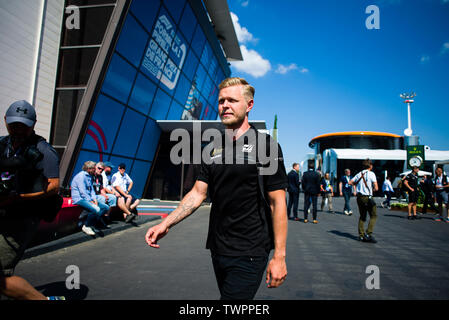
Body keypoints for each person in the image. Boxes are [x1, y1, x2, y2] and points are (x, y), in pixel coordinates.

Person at [145, 77, 288, 300]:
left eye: (232, 100)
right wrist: (166, 223)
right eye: (221, 101)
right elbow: (197, 194)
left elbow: (277, 202)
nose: (225, 106)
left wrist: (279, 256)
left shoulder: (266, 146)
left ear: (249, 105)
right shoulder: (212, 147)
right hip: (218, 248)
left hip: (250, 250)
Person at [0, 100, 63, 300]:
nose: (18, 129)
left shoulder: (44, 151)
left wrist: (18, 198)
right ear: (5, 121)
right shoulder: (2, 144)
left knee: (2, 277)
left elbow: (53, 186)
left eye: (23, 125)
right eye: (13, 124)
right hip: (2, 211)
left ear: (33, 124)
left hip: (21, 217)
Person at [71, 161, 110, 235]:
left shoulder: (89, 176)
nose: (95, 170)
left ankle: (91, 223)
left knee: (105, 207)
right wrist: (90, 201)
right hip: (79, 199)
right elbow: (83, 192)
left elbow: (91, 190)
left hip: (87, 198)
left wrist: (94, 199)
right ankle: (87, 226)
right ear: (89, 169)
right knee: (96, 209)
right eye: (94, 169)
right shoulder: (81, 176)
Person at [349, 159, 378, 243]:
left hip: (359, 197)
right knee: (373, 215)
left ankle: (361, 235)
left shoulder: (359, 173)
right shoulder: (372, 174)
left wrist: (357, 185)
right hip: (368, 197)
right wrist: (371, 189)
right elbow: (376, 188)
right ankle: (368, 233)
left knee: (362, 216)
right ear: (370, 165)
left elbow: (350, 182)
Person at [93, 162, 115, 227]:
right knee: (102, 199)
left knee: (113, 198)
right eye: (99, 168)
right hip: (93, 195)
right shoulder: (91, 176)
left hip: (99, 194)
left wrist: (104, 195)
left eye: (102, 169)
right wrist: (103, 195)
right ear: (95, 168)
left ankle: (105, 216)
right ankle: (98, 219)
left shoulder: (100, 177)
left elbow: (101, 188)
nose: (100, 170)